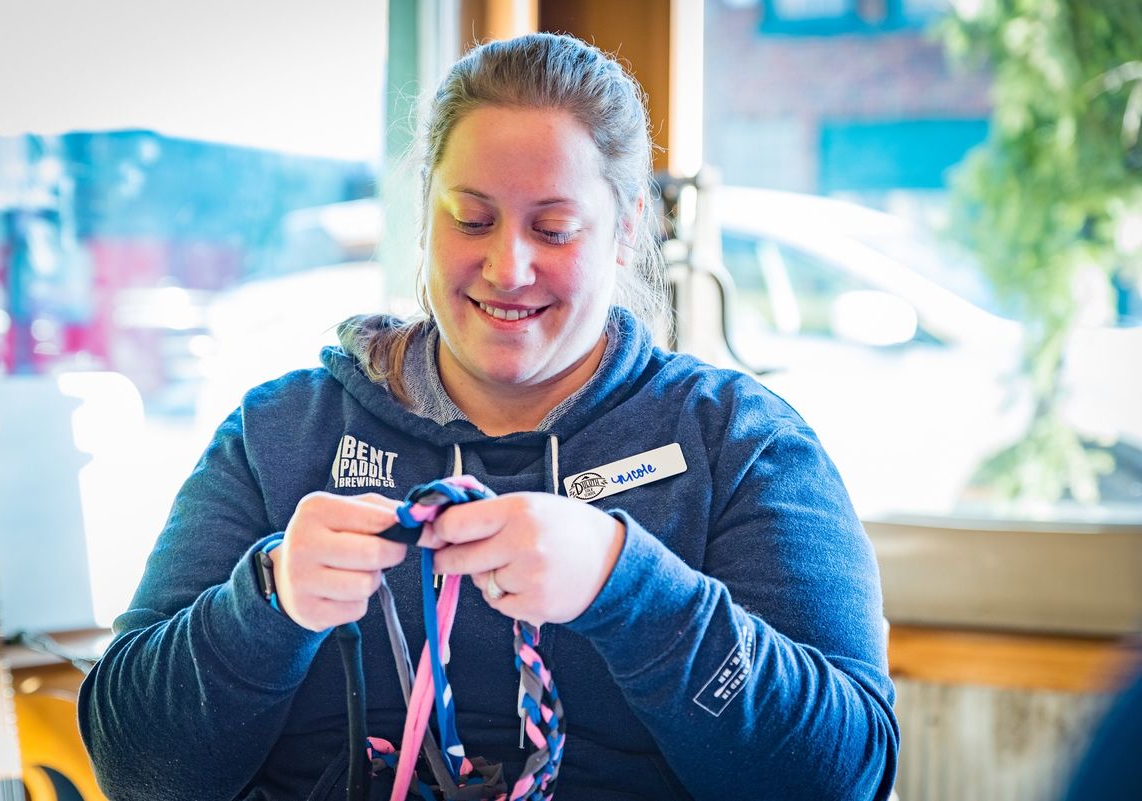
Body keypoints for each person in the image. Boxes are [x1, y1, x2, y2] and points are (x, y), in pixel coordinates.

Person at [78, 32, 899, 801]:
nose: (508, 267)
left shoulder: (739, 443)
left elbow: (844, 773)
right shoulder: (279, 435)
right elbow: (135, 767)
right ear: (423, 213)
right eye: (471, 219)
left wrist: (633, 588)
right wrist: (266, 602)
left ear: (626, 227)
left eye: (554, 228)